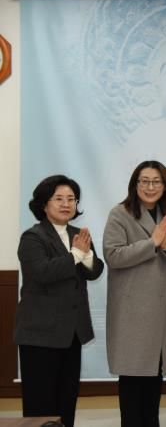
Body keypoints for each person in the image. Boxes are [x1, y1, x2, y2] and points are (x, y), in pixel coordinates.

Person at [15, 175, 104, 427]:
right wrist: (76, 254)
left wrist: (86, 256)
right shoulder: (33, 237)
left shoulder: (78, 234)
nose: (66, 204)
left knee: (67, 402)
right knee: (41, 406)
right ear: (44, 204)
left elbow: (95, 270)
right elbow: (42, 272)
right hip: (39, 335)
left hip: (71, 333)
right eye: (59, 199)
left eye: (71, 199)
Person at [103, 160, 166, 427]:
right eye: (145, 181)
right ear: (135, 185)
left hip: (162, 311)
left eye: (156, 182)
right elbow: (113, 256)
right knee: (132, 381)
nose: (150, 187)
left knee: (154, 381)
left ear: (165, 186)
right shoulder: (120, 214)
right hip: (133, 312)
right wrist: (152, 242)